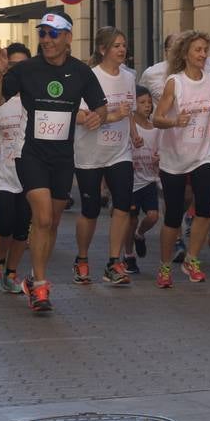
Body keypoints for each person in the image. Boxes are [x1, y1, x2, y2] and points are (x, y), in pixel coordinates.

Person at [0, 12, 107, 312]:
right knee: (40, 218)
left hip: (63, 158)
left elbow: (101, 107)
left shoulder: (81, 72)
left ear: (68, 37)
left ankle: (31, 277)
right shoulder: (26, 69)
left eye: (53, 34)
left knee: (51, 222)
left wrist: (96, 116)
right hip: (31, 154)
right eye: (43, 34)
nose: (47, 40)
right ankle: (40, 284)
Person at [153, 30, 210, 287]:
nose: (203, 55)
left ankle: (192, 259)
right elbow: (156, 118)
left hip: (204, 153)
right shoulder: (175, 82)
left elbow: (208, 108)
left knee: (205, 208)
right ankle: (164, 266)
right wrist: (174, 120)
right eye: (198, 50)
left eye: (205, 50)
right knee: (173, 215)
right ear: (185, 54)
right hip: (174, 156)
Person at [72, 27, 138, 286]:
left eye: (124, 45)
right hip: (90, 154)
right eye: (116, 46)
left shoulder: (129, 77)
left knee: (123, 205)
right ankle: (82, 259)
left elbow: (129, 110)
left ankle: (114, 262)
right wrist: (111, 116)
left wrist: (133, 132)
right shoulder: (88, 77)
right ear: (102, 50)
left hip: (120, 152)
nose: (122, 50)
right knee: (90, 211)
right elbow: (80, 117)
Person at [0, 43, 33, 293]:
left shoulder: (37, 96)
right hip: (0, 171)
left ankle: (11, 272)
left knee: (22, 228)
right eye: (12, 65)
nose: (18, 69)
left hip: (30, 172)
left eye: (23, 65)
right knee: (6, 223)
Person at [128, 85, 161, 274]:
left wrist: (160, 157)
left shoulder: (156, 128)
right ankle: (129, 256)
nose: (147, 106)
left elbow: (161, 148)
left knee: (153, 216)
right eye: (142, 103)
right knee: (130, 220)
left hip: (149, 180)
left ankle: (139, 235)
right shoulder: (130, 127)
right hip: (131, 181)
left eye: (149, 102)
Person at [140, 33, 177, 103]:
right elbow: (140, 99)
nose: (179, 52)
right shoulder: (151, 73)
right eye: (174, 48)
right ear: (166, 52)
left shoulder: (194, 73)